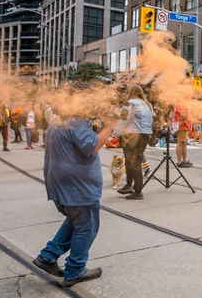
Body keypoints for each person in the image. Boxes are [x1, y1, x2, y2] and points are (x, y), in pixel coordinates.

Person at [33, 110, 116, 286]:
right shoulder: (77, 122)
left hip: (62, 184)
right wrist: (109, 125)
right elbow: (92, 146)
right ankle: (75, 270)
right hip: (78, 188)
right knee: (87, 227)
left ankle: (48, 256)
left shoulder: (61, 119)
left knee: (75, 220)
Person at [116, 85, 154, 199]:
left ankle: (137, 191)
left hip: (132, 134)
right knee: (132, 160)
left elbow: (123, 120)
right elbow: (151, 120)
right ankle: (129, 185)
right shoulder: (147, 105)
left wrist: (115, 134)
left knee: (134, 162)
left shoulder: (129, 103)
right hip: (145, 134)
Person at [174, 104, 193, 168]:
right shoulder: (181, 102)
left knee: (184, 143)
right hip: (182, 125)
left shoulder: (183, 102)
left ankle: (184, 160)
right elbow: (182, 114)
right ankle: (180, 161)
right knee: (180, 142)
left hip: (184, 125)